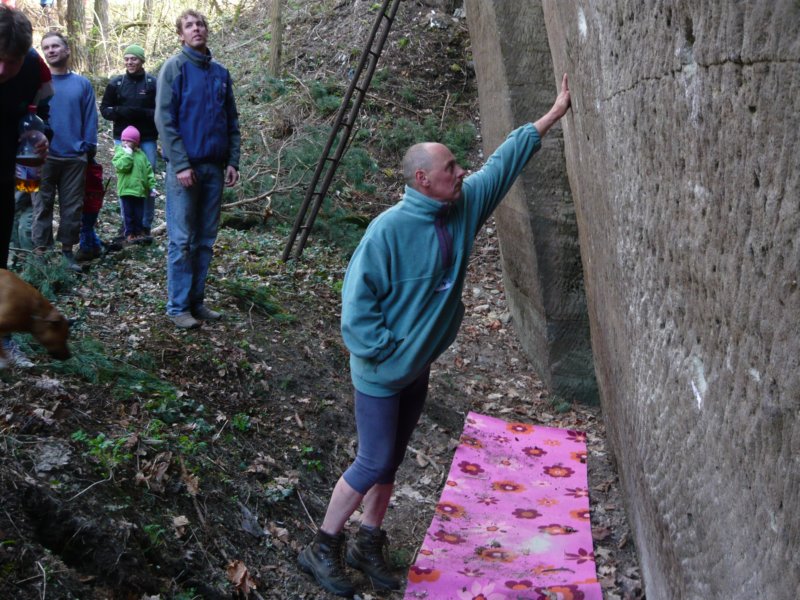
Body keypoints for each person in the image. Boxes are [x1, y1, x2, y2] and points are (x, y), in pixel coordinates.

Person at [298, 76, 573, 597]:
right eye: (450, 168)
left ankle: (367, 541)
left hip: (416, 367)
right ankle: (322, 545)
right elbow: (355, 310)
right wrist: (388, 353)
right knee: (373, 460)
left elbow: (502, 164)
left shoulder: (463, 207)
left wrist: (554, 112)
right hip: (381, 372)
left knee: (392, 460)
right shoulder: (387, 230)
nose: (461, 171)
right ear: (423, 179)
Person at [155, 9, 240, 329]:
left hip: (214, 169)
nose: (196, 29)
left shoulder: (220, 73)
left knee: (205, 239)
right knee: (181, 240)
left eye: (200, 24)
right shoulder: (174, 68)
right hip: (184, 171)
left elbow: (231, 121)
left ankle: (196, 302)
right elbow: (165, 120)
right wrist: (180, 164)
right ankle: (177, 307)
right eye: (189, 25)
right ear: (181, 34)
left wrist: (233, 160)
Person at [0, 5, 52, 367]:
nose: (3, 70)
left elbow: (38, 115)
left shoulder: (34, 68)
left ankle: (2, 342)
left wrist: (38, 133)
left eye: (11, 62)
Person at [32, 30, 97, 273]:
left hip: (73, 156)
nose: (51, 50)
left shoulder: (82, 84)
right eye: (46, 47)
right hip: (42, 157)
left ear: (67, 50)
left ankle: (67, 254)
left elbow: (90, 118)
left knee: (72, 207)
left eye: (55, 46)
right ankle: (40, 256)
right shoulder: (38, 83)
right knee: (41, 206)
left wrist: (87, 148)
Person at [100, 43, 158, 238]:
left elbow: (161, 112)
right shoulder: (116, 83)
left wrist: (142, 114)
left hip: (147, 139)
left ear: (142, 60)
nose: (130, 62)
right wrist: (120, 112)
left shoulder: (152, 83)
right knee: (125, 178)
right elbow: (105, 109)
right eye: (127, 59)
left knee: (147, 180)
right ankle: (128, 225)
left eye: (133, 58)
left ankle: (145, 224)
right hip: (122, 140)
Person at [112, 125, 156, 243]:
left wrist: (151, 186)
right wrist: (128, 154)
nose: (125, 142)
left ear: (136, 142)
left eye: (129, 140)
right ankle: (129, 233)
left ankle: (139, 232)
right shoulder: (120, 153)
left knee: (138, 214)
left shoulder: (142, 155)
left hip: (139, 191)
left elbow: (148, 171)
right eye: (123, 140)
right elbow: (121, 167)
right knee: (128, 214)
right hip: (126, 190)